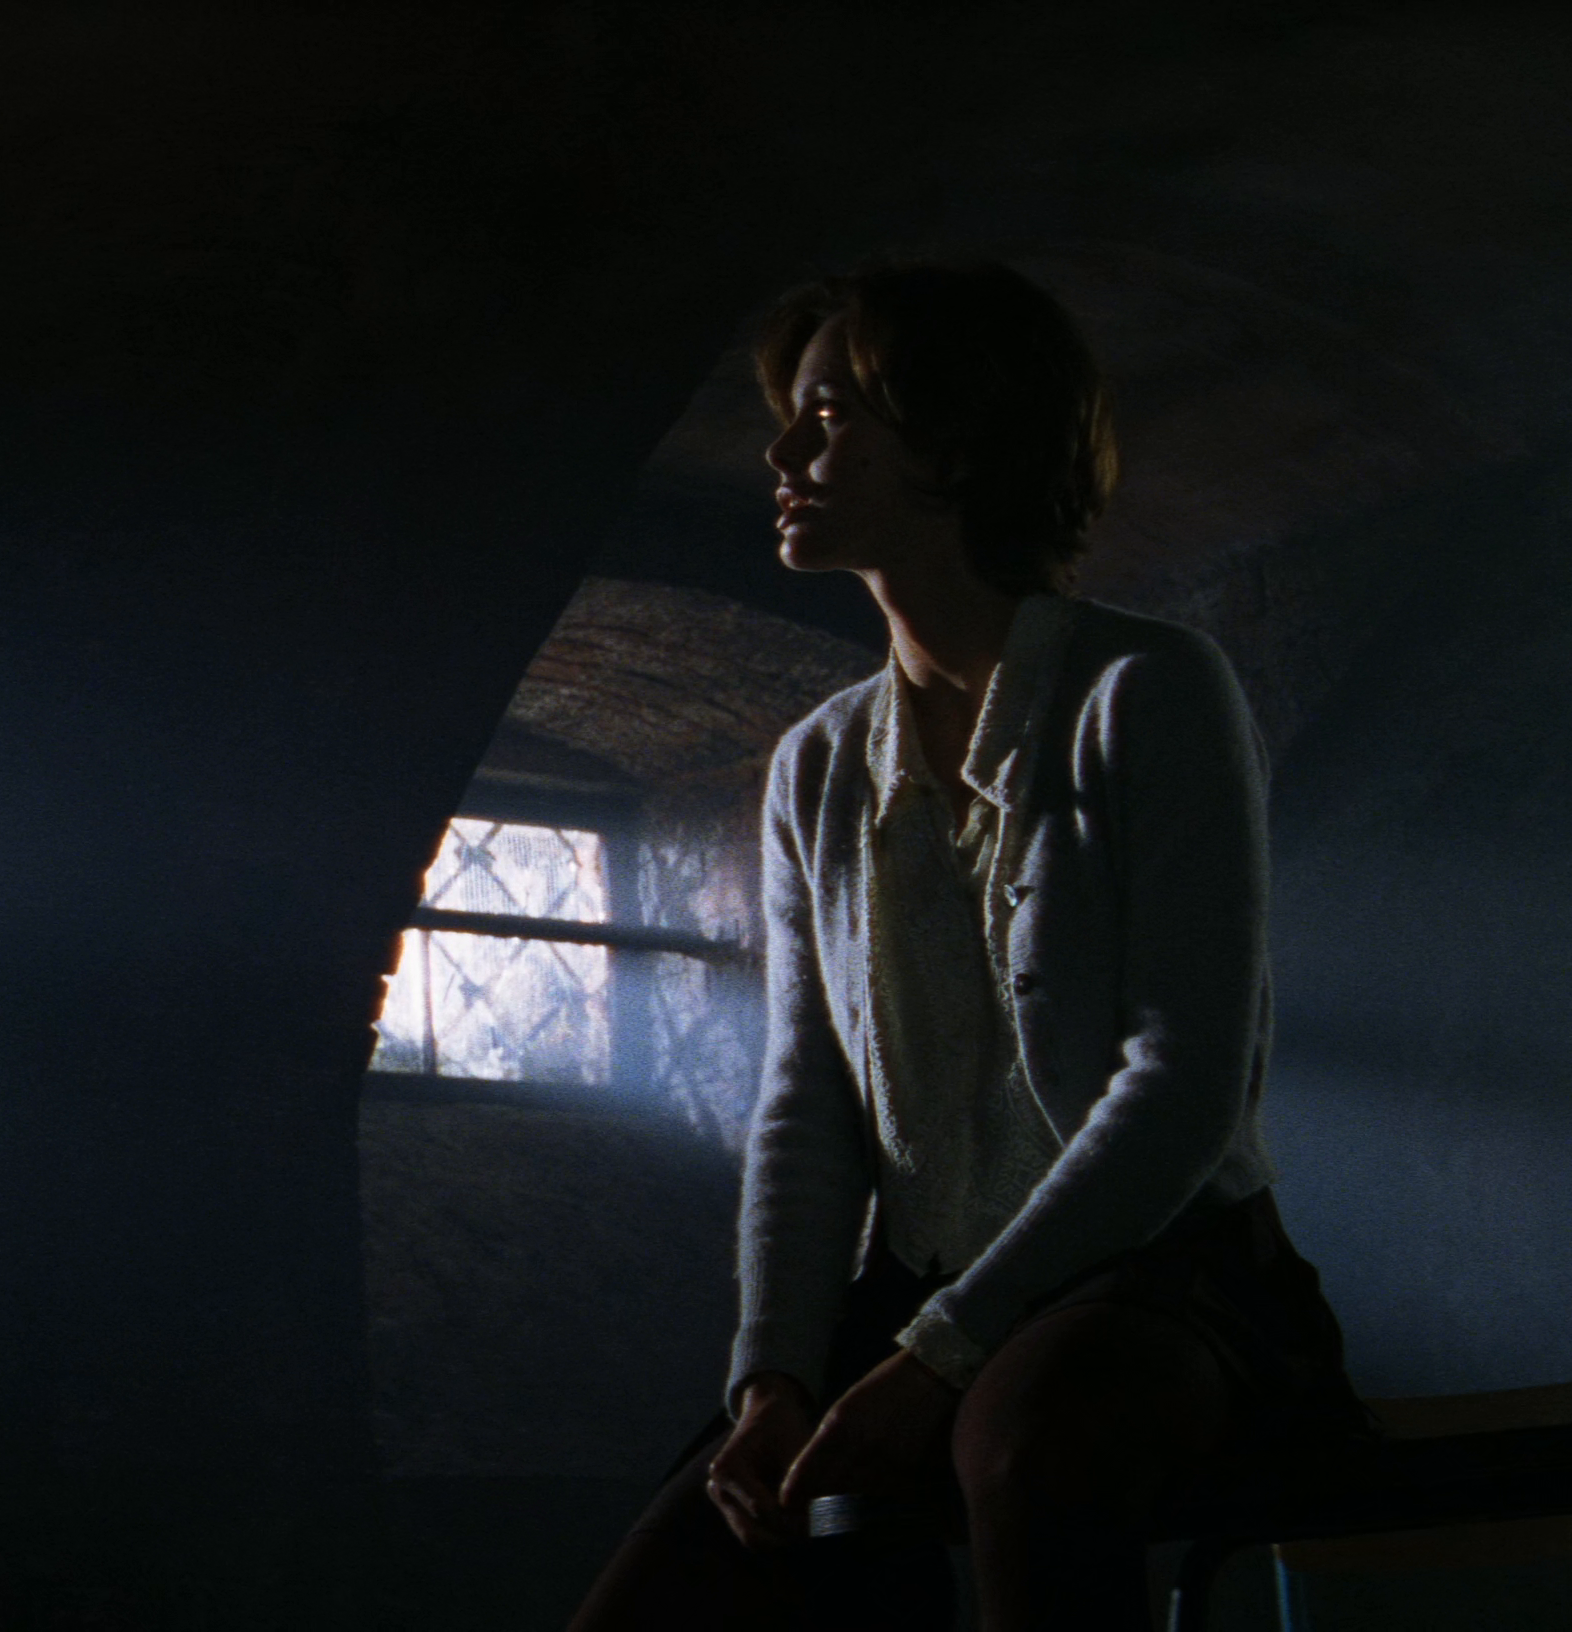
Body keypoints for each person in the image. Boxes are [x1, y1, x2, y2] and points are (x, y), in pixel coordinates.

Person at [567, 263, 1362, 1631]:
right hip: (912, 1294)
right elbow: (808, 1104)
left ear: (956, 439)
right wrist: (774, 1378)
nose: (783, 455)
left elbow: (1182, 1086)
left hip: (1163, 1276)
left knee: (1026, 1445)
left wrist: (943, 1356)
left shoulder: (1147, 691)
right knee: (664, 1592)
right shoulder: (817, 763)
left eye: (831, 418)